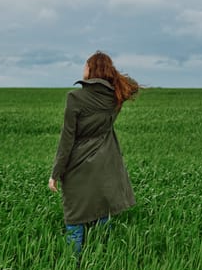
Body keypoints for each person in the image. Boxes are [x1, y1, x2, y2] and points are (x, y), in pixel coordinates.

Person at [48, 51, 139, 255]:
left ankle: (73, 268)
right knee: (101, 213)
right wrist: (113, 75)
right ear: (108, 71)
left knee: (74, 218)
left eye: (86, 66)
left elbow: (67, 139)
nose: (83, 69)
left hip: (78, 166)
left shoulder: (75, 97)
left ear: (91, 69)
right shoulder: (116, 96)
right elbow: (132, 84)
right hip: (106, 165)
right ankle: (103, 261)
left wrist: (55, 173)